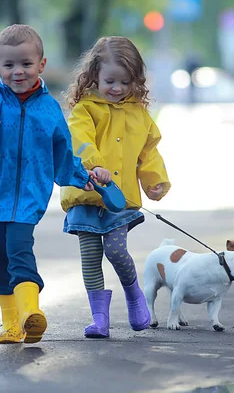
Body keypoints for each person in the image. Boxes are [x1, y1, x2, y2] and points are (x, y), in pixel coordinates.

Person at [0, 24, 97, 345]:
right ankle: (11, 323)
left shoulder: (48, 108)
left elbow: (62, 153)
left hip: (28, 200)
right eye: (10, 65)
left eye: (26, 64)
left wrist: (83, 177)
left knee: (19, 252)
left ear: (41, 65)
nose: (18, 72)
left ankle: (32, 314)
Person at [61, 36, 171, 338]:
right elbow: (79, 138)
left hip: (117, 199)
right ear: (94, 74)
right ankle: (99, 319)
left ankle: (134, 294)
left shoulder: (140, 115)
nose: (117, 88)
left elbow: (149, 151)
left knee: (116, 251)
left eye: (125, 82)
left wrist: (154, 181)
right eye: (110, 81)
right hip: (85, 195)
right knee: (90, 256)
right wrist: (94, 163)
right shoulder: (85, 109)